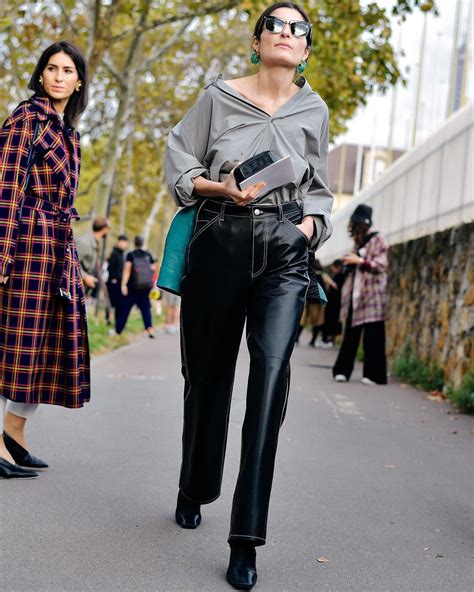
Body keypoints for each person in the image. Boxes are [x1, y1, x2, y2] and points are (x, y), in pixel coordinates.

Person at [165, 3, 333, 588]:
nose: (288, 33)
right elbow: (179, 156)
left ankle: (246, 538)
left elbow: (322, 189)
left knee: (270, 375)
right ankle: (195, 481)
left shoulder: (316, 110)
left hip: (285, 250)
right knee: (207, 377)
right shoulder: (218, 97)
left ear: (305, 49)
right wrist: (217, 185)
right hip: (219, 237)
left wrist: (311, 227)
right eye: (277, 25)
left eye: (299, 29)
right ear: (257, 40)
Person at [0, 41, 90, 479]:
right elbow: (6, 191)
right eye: (51, 68)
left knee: (38, 345)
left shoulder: (69, 132)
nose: (58, 76)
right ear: (40, 76)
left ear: (78, 82)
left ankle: (14, 434)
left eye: (67, 70)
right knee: (13, 343)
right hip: (24, 244)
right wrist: (2, 256)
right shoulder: (26, 119)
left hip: (56, 248)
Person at [332, 204, 388, 385]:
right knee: (350, 333)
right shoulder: (358, 242)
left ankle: (374, 374)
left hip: (372, 294)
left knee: (374, 335)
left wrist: (360, 260)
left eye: (355, 224)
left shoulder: (378, 239)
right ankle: (342, 371)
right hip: (355, 295)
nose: (353, 228)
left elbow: (381, 265)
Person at [116, 235, 156, 338]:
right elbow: (153, 269)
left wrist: (123, 284)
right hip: (145, 288)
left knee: (125, 309)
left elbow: (127, 270)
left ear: (134, 243)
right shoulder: (148, 255)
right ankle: (150, 329)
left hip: (132, 288)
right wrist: (154, 285)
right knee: (146, 309)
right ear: (142, 243)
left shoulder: (131, 255)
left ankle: (118, 331)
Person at [296, 254, 333, 347]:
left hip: (307, 299)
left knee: (303, 320)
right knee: (317, 321)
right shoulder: (323, 275)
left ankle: (296, 339)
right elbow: (333, 284)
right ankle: (312, 341)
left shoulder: (308, 273)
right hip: (317, 301)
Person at [76, 217, 110, 297]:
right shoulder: (85, 242)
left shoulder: (94, 242)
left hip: (81, 288)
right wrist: (86, 277)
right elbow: (71, 262)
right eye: (109, 228)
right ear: (104, 229)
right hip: (74, 288)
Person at [321, 259, 344, 346]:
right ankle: (328, 339)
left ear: (336, 267)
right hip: (332, 302)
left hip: (335, 302)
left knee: (331, 321)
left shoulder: (340, 276)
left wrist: (331, 282)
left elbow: (337, 287)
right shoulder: (337, 275)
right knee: (330, 320)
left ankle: (329, 340)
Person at [106, 234, 129, 322]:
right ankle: (108, 319)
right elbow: (109, 267)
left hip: (120, 282)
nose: (124, 245)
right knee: (111, 303)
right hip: (113, 282)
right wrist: (113, 279)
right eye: (123, 242)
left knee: (119, 304)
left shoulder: (123, 254)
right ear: (119, 242)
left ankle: (116, 321)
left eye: (126, 243)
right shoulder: (114, 253)